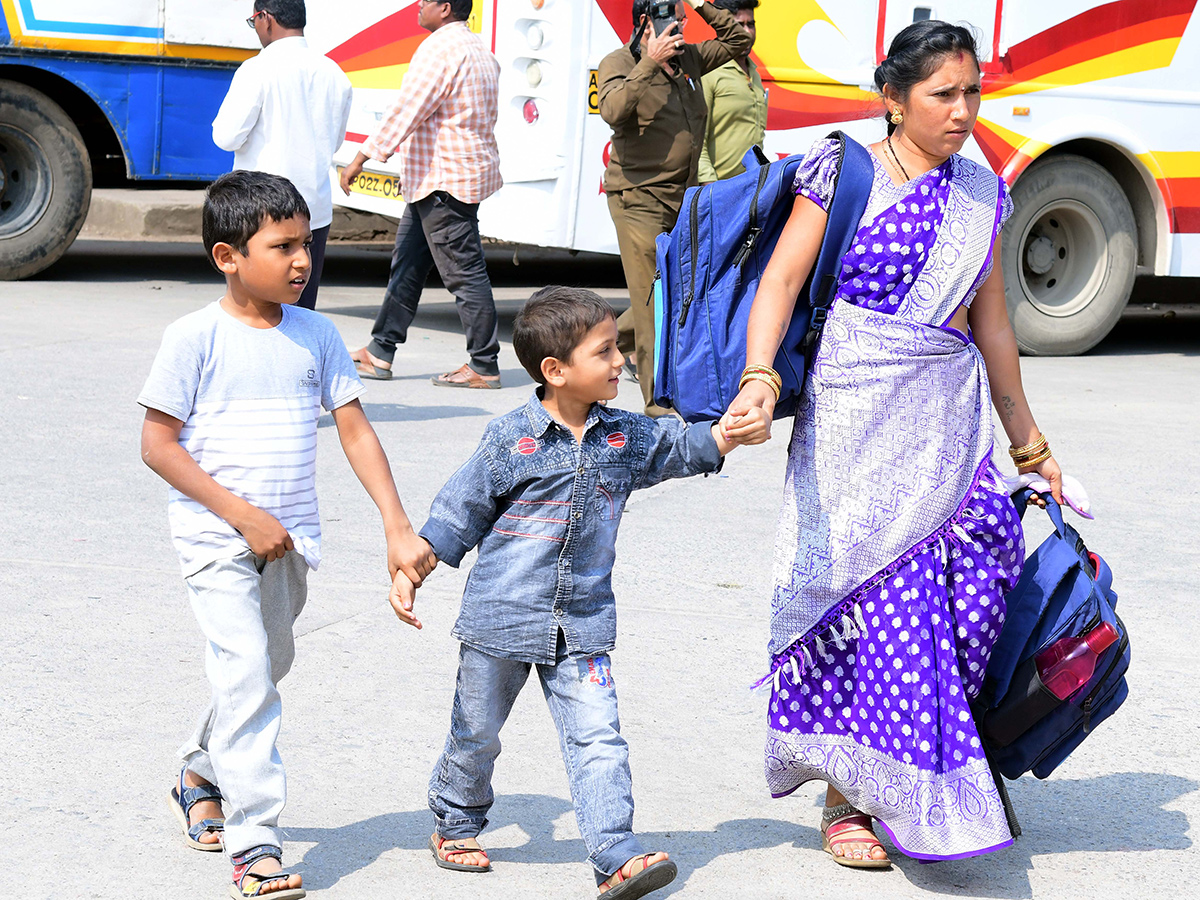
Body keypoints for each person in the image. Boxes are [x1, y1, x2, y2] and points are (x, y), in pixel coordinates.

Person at [722, 20, 1071, 867]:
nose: (962, 111)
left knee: (965, 598)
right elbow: (781, 282)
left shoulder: (983, 195)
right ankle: (852, 796)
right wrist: (760, 376)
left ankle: (932, 774)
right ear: (893, 98)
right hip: (852, 420)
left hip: (947, 425)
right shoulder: (846, 173)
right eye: (942, 95)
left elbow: (994, 329)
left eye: (972, 93)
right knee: (873, 604)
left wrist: (1029, 446)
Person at [404, 287, 768, 896]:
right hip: (499, 619)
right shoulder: (510, 438)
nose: (620, 361)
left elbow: (677, 448)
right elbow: (460, 507)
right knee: (478, 732)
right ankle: (456, 820)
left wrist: (726, 434)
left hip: (584, 624)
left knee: (598, 736)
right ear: (556, 371)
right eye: (604, 352)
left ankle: (613, 851)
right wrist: (417, 561)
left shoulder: (623, 435)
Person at [140, 171, 435, 899]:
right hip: (216, 539)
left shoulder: (317, 335)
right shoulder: (194, 338)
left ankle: (199, 771)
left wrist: (397, 527)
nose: (303, 260)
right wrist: (240, 513)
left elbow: (357, 433)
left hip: (290, 542)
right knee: (247, 678)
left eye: (306, 243)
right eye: (283, 246)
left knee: (265, 666)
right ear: (227, 256)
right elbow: (158, 444)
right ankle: (255, 844)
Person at [338, 0, 503, 389]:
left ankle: (484, 364)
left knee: (464, 274)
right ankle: (380, 351)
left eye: (426, 1)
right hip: (443, 178)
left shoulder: (440, 49)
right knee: (407, 267)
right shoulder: (480, 49)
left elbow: (407, 110)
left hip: (444, 182)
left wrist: (362, 156)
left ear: (445, 8)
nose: (418, 6)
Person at [598, 0, 752, 415]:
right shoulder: (620, 60)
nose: (681, 27)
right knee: (654, 301)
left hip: (681, 198)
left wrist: (704, 4)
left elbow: (738, 39)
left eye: (684, 19)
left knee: (673, 292)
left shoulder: (690, 59)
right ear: (647, 22)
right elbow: (611, 110)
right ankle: (657, 403)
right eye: (674, 19)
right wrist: (649, 63)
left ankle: (597, 342)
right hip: (638, 200)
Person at [212, 0, 353, 311]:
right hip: (313, 212)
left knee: (258, 312)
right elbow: (335, 141)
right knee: (301, 311)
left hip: (262, 213)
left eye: (254, 22)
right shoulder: (334, 73)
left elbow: (225, 137)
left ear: (266, 18)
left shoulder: (258, 68)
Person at [697, 0, 766, 184]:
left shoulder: (755, 75)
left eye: (750, 24)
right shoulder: (709, 71)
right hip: (719, 192)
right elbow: (696, 142)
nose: (747, 32)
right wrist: (711, 192)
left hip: (751, 191)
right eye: (738, 25)